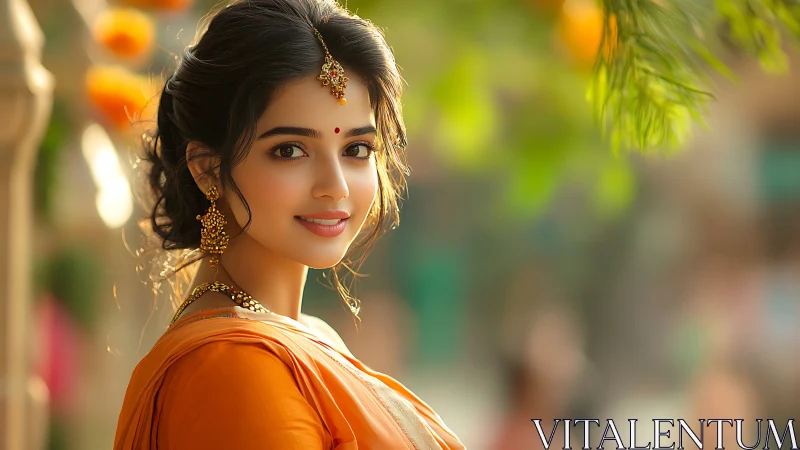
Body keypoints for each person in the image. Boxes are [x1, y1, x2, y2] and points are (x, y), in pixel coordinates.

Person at [113, 0, 466, 448]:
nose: (335, 187)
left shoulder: (308, 337)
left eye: (356, 150)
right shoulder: (235, 367)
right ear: (207, 168)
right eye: (290, 150)